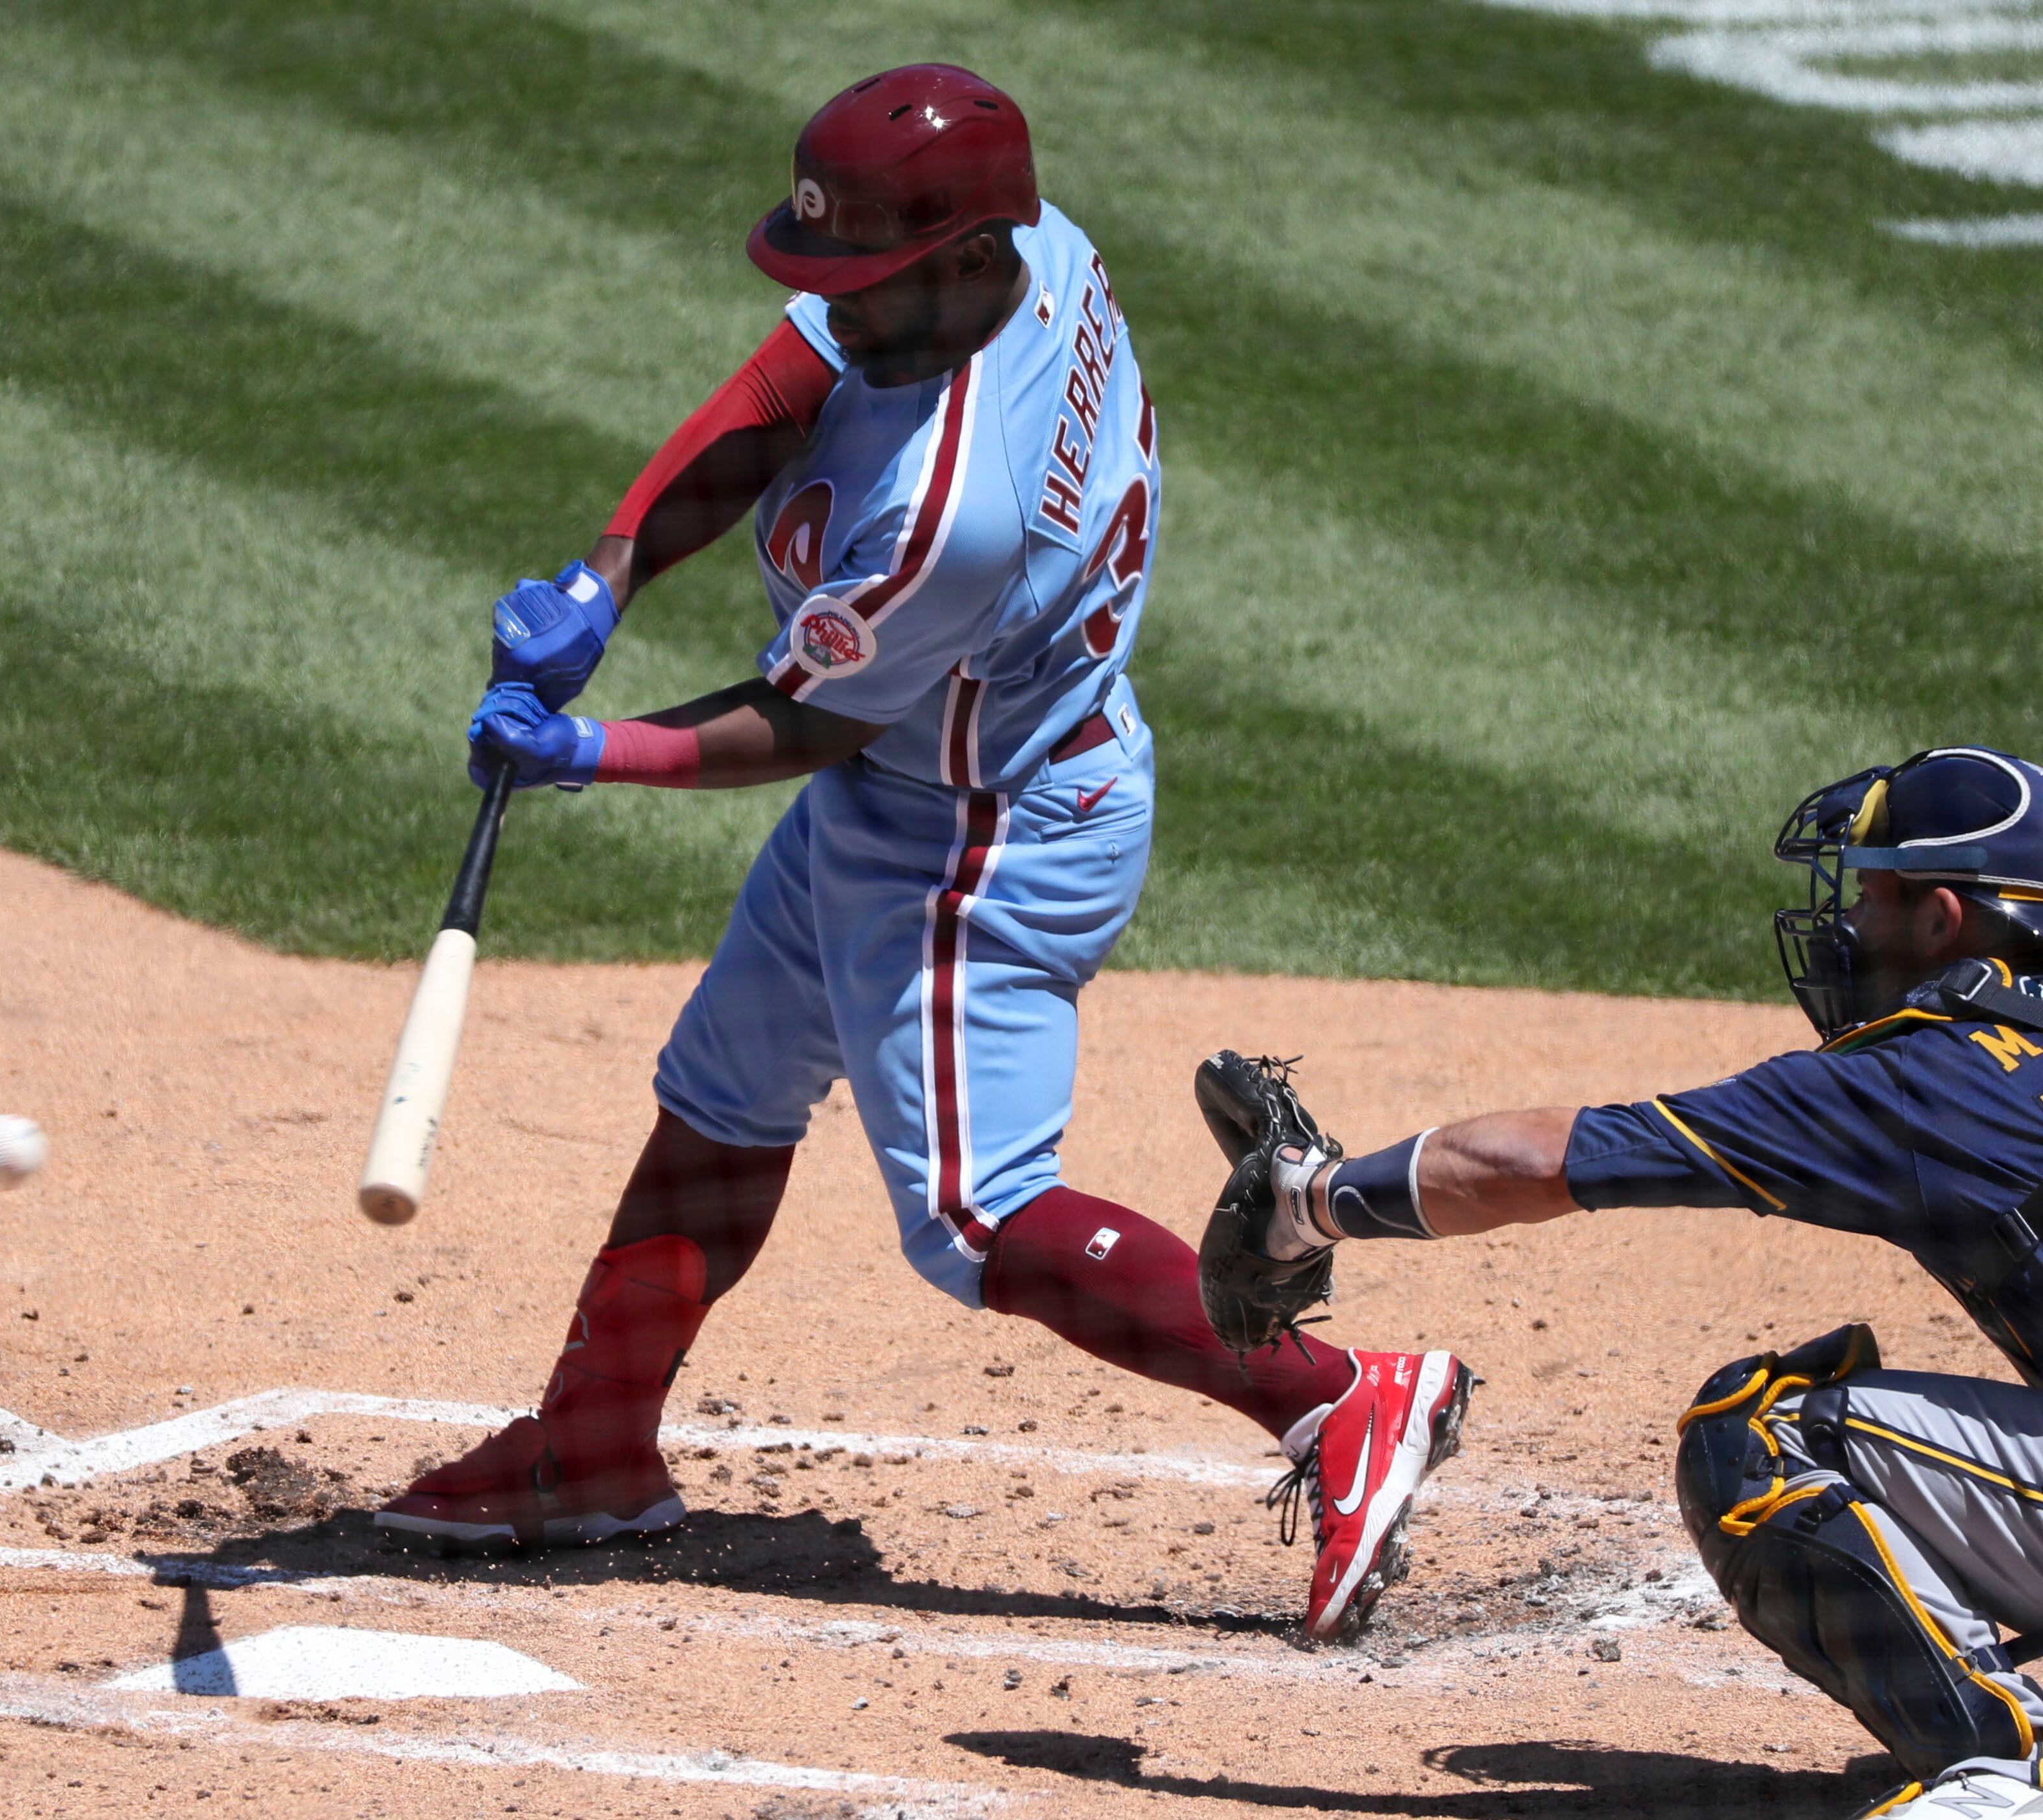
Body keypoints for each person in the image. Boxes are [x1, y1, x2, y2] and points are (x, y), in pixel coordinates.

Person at [372, 62, 1472, 1645]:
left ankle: (1340, 1398)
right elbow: (780, 384)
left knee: (974, 1214)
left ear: (962, 260)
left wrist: (586, 750)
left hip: (983, 836)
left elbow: (804, 728)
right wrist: (608, 572)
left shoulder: (955, 514)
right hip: (927, 783)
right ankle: (592, 1448)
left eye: (868, 280)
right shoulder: (1036, 250)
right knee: (729, 1087)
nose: (840, 307)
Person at [1195, 745, 2043, 1813]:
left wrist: (1312, 1199)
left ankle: (2010, 1772)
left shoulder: (1939, 1080)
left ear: (1942, 922)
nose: (1845, 927)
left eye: (1873, 894)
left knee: (1761, 1441)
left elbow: (1552, 1161)